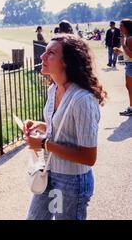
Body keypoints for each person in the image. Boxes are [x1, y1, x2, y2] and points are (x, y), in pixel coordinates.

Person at [24, 34, 107, 220]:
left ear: (66, 63)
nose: (42, 57)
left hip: (72, 182)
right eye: (45, 52)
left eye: (50, 53)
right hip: (49, 173)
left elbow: (88, 157)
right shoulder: (53, 89)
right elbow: (63, 130)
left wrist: (44, 144)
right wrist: (41, 126)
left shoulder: (83, 100)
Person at [114, 19, 132, 116]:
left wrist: (122, 44)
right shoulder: (128, 38)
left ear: (127, 27)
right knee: (129, 87)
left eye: (121, 26)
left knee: (130, 88)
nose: (120, 28)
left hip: (130, 65)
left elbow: (131, 55)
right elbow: (128, 54)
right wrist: (120, 51)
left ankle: (131, 108)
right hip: (129, 64)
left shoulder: (129, 39)